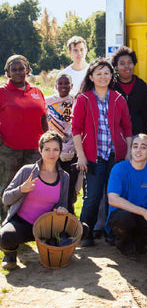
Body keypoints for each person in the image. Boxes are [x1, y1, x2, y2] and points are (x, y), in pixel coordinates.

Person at [72, 58, 133, 247]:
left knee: (113, 195)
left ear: (111, 76)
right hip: (93, 156)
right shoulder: (83, 99)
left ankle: (111, 232)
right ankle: (85, 232)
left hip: (116, 155)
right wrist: (81, 155)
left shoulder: (117, 98)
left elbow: (127, 127)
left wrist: (129, 152)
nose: (103, 76)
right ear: (91, 76)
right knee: (93, 196)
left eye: (106, 73)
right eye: (98, 73)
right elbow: (76, 129)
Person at [0, 131, 69, 270]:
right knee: (6, 236)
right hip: (23, 224)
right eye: (47, 149)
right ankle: (10, 254)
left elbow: (63, 203)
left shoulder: (64, 177)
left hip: (47, 226)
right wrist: (21, 189)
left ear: (60, 151)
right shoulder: (27, 171)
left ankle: (49, 243)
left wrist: (62, 209)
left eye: (56, 149)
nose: (51, 154)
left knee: (83, 229)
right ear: (40, 150)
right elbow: (5, 199)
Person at [0, 55, 48, 221]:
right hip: (9, 150)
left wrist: (47, 143)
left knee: (33, 186)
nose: (18, 72)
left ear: (28, 70)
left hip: (34, 151)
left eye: (21, 69)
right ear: (8, 73)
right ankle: (6, 222)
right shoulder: (2, 92)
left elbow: (43, 119)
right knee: (8, 186)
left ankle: (27, 221)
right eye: (14, 69)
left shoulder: (37, 92)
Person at [45, 72, 78, 214]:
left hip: (72, 150)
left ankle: (69, 215)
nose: (63, 86)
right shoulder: (47, 101)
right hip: (53, 150)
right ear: (55, 86)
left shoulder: (76, 101)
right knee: (54, 184)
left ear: (71, 86)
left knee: (70, 185)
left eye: (66, 83)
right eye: (60, 83)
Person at [111, 46, 147, 135]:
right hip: (117, 135)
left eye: (130, 62)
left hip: (138, 136)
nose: (127, 66)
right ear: (116, 66)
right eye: (122, 63)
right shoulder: (112, 86)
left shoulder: (141, 85)